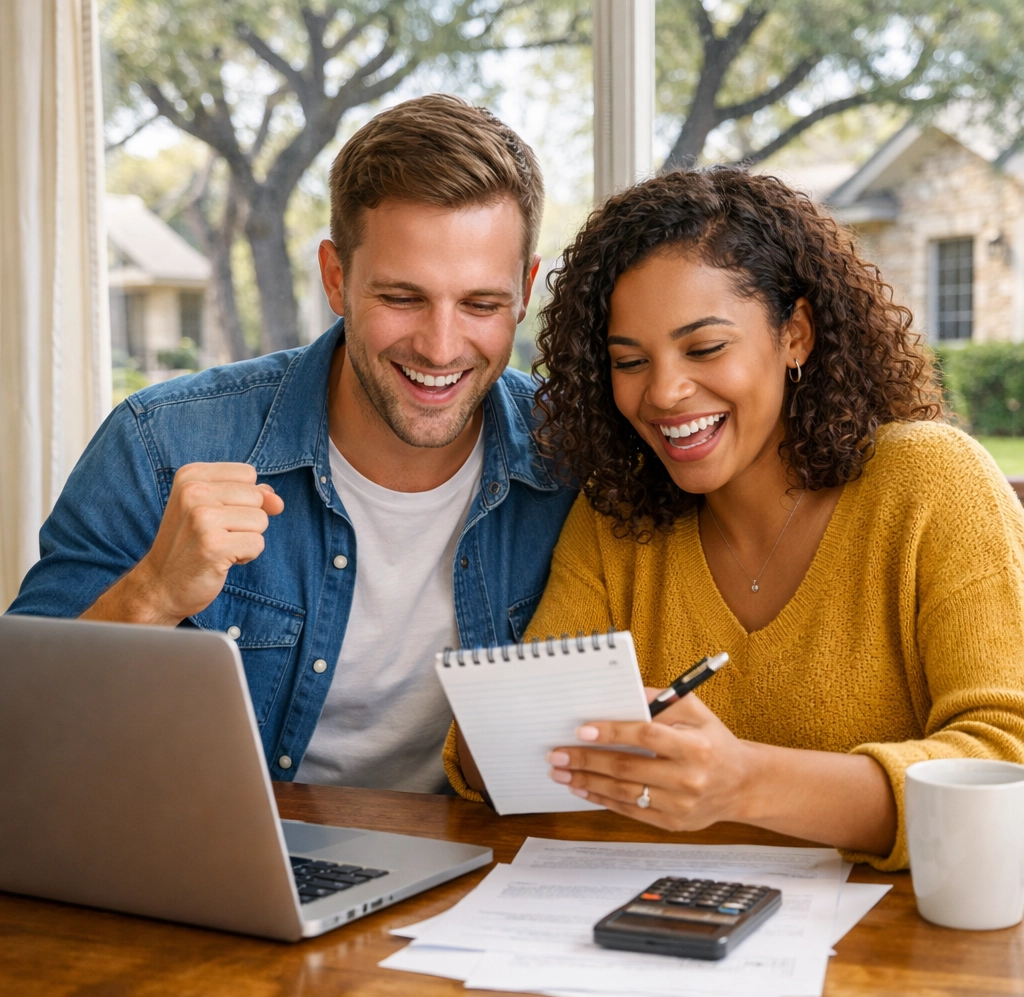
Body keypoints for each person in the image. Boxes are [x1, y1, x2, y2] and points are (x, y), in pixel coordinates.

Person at [445, 167, 1024, 870]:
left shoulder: (933, 483)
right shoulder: (618, 517)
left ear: (796, 335)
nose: (664, 392)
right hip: (657, 937)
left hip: (894, 953)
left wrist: (742, 782)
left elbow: (1005, 760)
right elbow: (492, 768)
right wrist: (508, 737)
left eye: (706, 348)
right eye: (630, 361)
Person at [8, 94, 577, 795]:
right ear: (336, 278)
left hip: (479, 874)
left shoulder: (576, 461)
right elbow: (20, 739)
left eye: (481, 305)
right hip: (230, 869)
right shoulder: (160, 444)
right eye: (402, 297)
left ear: (524, 290)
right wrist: (153, 593)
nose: (440, 345)